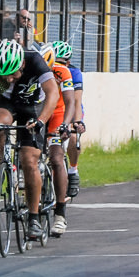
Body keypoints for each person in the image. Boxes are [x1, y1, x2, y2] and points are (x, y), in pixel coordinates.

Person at [0, 39, 59, 241]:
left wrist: (42, 120)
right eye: (3, 74)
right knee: (0, 125)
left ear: (22, 65)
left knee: (29, 161)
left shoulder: (35, 60)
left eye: (13, 74)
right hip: (6, 102)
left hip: (32, 105)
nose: (9, 79)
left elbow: (53, 92)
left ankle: (34, 218)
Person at [39, 43, 75, 237]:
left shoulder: (62, 72)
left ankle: (60, 213)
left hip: (58, 113)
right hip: (39, 111)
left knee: (55, 157)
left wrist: (66, 124)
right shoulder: (32, 69)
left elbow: (70, 101)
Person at [52, 39, 85, 198]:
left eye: (61, 62)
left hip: (70, 107)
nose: (58, 65)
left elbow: (76, 101)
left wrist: (77, 122)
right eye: (54, 61)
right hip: (52, 107)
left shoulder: (73, 72)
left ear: (68, 62)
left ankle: (73, 171)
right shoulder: (46, 69)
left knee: (73, 136)